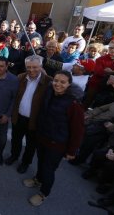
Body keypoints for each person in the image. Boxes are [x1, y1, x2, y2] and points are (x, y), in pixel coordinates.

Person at [24, 71, 84, 206]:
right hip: (43, 138)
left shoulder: (74, 104)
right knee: (40, 161)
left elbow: (78, 130)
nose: (58, 84)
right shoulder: (49, 92)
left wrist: (72, 151)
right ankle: (38, 179)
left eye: (63, 82)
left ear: (69, 84)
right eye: (56, 80)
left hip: (57, 144)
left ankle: (43, 193)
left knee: (48, 169)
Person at [5, 55, 53, 174]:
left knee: (31, 145)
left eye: (35, 67)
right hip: (19, 117)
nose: (31, 70)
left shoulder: (48, 82)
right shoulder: (20, 77)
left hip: (35, 120)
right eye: (29, 67)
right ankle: (14, 156)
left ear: (41, 67)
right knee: (16, 140)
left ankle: (25, 163)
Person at [83, 40, 114, 108]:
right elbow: (98, 72)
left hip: (113, 87)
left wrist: (111, 72)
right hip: (97, 83)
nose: (112, 50)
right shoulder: (100, 59)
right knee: (87, 101)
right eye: (110, 48)